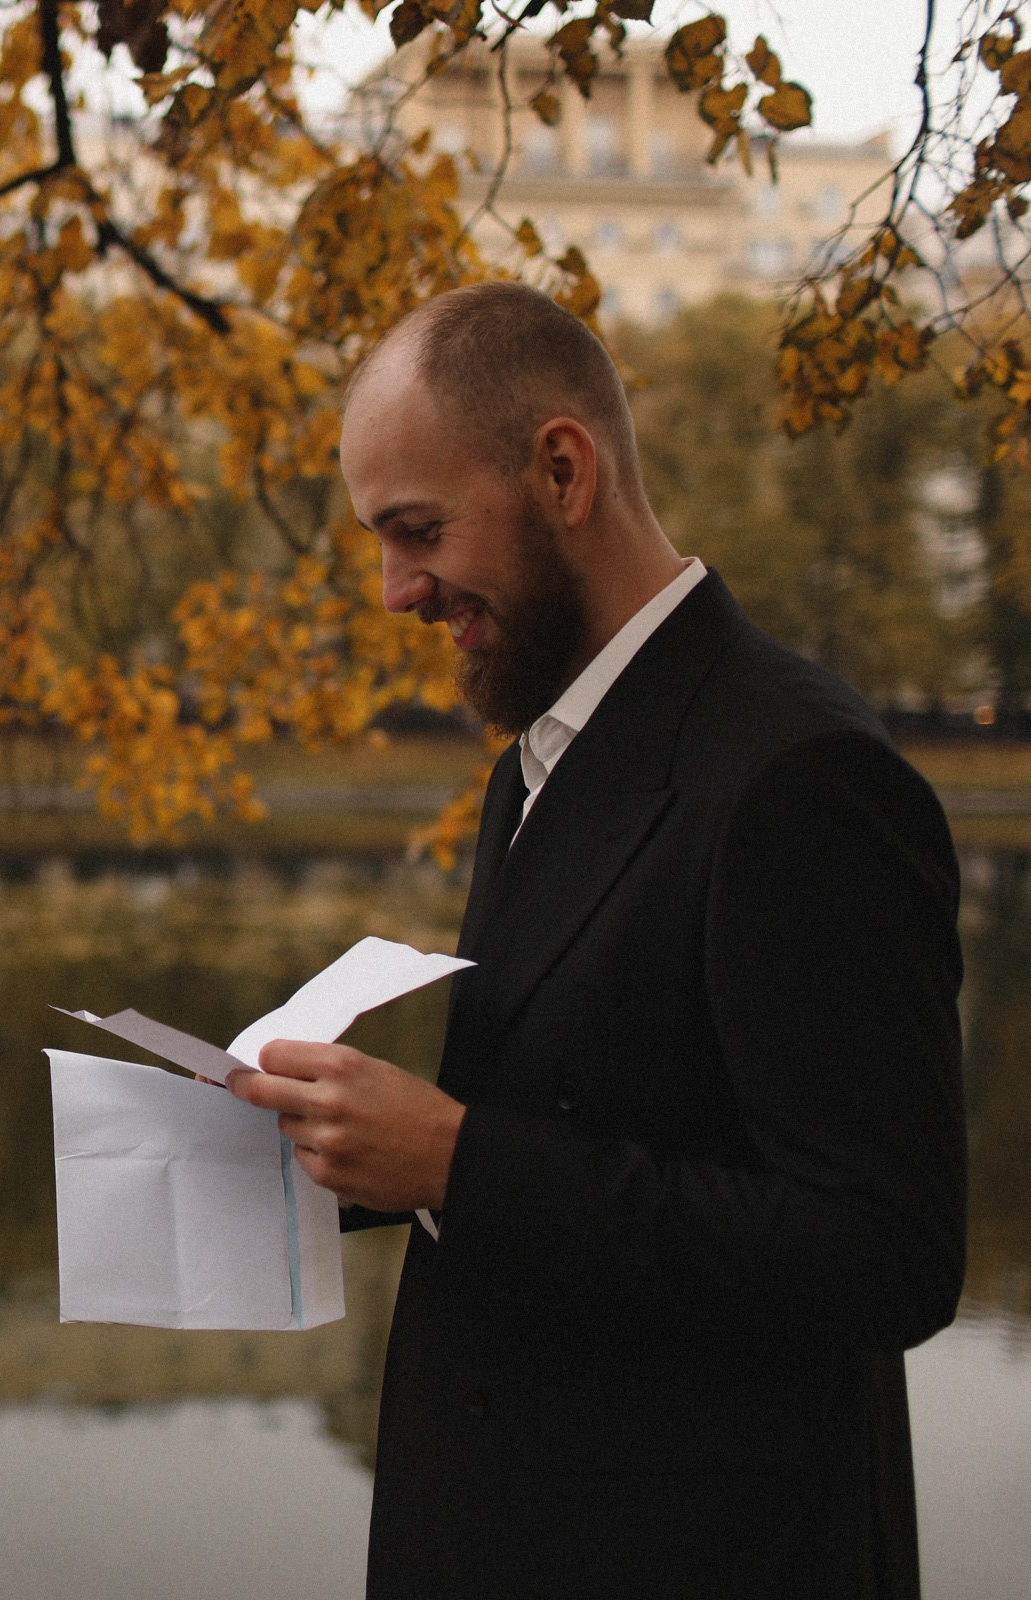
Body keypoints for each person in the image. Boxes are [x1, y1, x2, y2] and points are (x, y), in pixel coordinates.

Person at [231, 282, 967, 1598]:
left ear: (563, 471)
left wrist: (458, 1161)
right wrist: (354, 1157)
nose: (397, 590)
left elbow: (883, 1257)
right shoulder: (542, 759)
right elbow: (597, 1116)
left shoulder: (803, 777)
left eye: (418, 531)